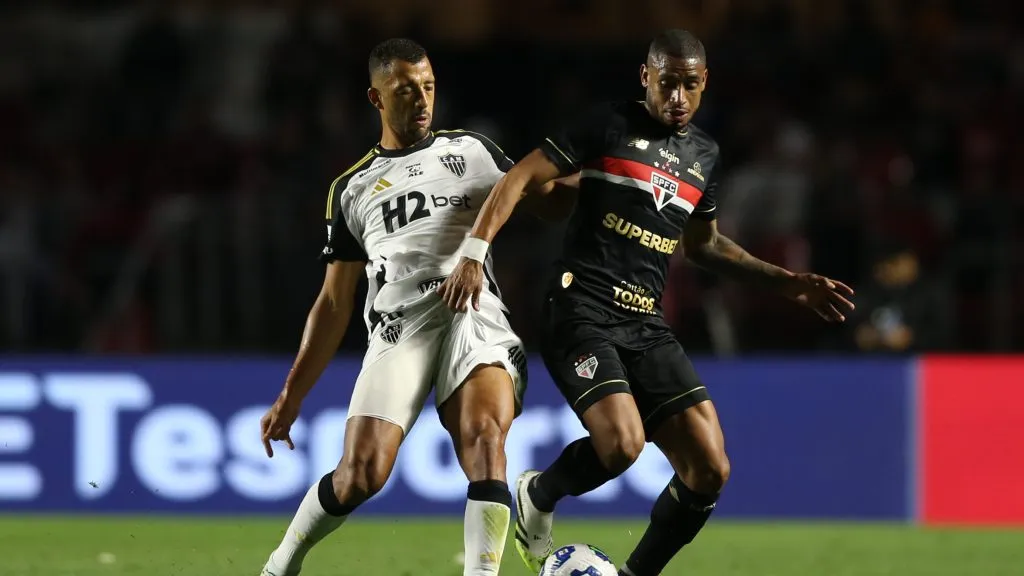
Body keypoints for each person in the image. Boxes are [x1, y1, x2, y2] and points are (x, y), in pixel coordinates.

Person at [437, 29, 856, 576]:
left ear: (704, 84)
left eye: (689, 85)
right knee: (621, 444)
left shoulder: (704, 155)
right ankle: (539, 492)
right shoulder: (606, 125)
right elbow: (519, 177)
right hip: (580, 311)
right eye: (667, 84)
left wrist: (785, 281)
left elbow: (704, 245)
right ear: (646, 78)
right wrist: (473, 251)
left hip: (645, 324)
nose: (677, 98)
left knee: (709, 468)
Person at [257, 38, 575, 576]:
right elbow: (334, 302)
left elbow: (544, 203)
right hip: (399, 329)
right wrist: (291, 395)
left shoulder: (473, 151)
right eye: (406, 90)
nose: (422, 100)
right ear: (376, 98)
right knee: (361, 474)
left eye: (428, 86)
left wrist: (593, 179)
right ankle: (282, 562)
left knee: (485, 437)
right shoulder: (352, 189)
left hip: (473, 316)